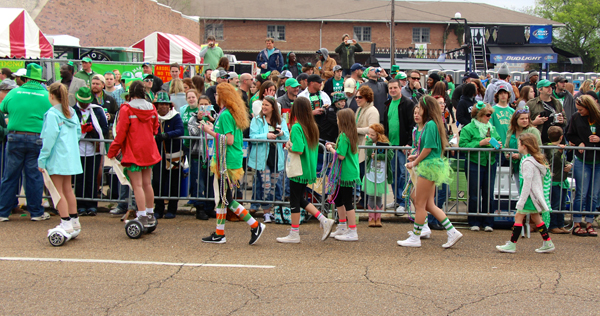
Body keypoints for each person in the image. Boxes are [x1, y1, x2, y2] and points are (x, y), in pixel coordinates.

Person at [200, 83, 265, 244]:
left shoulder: (226, 114)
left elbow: (228, 140)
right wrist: (212, 124)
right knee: (223, 198)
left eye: (217, 94)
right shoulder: (228, 113)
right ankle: (219, 233)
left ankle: (255, 225)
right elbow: (225, 133)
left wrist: (209, 131)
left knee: (226, 198)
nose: (215, 96)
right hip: (228, 159)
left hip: (226, 161)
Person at [397, 95, 462, 248]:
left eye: (420, 107)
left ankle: (416, 237)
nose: (418, 110)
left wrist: (415, 161)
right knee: (428, 205)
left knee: (420, 204)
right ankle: (451, 231)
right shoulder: (432, 124)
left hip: (429, 166)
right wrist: (416, 156)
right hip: (431, 165)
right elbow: (427, 149)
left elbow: (428, 148)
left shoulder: (431, 125)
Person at [276, 97, 335, 243]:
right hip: (307, 167)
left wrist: (288, 146)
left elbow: (298, 149)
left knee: (295, 200)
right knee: (299, 199)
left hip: (298, 168)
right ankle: (323, 220)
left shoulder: (297, 126)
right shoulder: (312, 126)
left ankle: (295, 233)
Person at [0, 64, 52, 222]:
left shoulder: (15, 92)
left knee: (9, 175)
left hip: (15, 136)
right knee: (34, 176)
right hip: (36, 138)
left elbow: (3, 107)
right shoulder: (46, 95)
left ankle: (3, 212)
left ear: (26, 78)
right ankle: (36, 212)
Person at [107, 80, 161, 228]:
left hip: (133, 150)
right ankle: (150, 214)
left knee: (137, 185)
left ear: (130, 92)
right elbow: (156, 129)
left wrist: (112, 151)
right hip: (149, 150)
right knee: (147, 183)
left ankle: (142, 215)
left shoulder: (126, 109)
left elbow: (121, 133)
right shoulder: (151, 108)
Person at [496, 133, 555, 253]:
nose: (518, 146)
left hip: (529, 196)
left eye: (519, 144)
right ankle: (547, 242)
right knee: (536, 218)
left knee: (519, 217)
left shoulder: (527, 162)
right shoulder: (533, 160)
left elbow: (526, 183)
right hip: (534, 196)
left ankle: (512, 244)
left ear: (524, 146)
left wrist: (521, 200)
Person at [37, 82, 83, 234]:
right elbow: (77, 132)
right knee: (67, 189)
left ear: (51, 95)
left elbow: (49, 138)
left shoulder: (52, 114)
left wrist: (42, 159)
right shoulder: (71, 112)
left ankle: (65, 222)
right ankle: (74, 220)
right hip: (70, 156)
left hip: (57, 157)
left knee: (58, 192)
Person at [459, 101, 502, 232]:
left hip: (490, 163)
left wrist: (498, 145)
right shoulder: (468, 128)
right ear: (479, 115)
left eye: (490, 115)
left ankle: (488, 221)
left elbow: (499, 140)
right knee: (474, 194)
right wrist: (479, 143)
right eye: (487, 115)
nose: (489, 117)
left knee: (488, 193)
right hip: (474, 163)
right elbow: (463, 145)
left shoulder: (492, 128)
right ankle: (474, 221)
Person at [248, 96, 289, 223]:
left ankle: (271, 211)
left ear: (273, 107)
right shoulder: (257, 120)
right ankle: (266, 213)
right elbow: (252, 136)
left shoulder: (280, 120)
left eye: (267, 105)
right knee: (265, 185)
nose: (264, 107)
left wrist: (281, 134)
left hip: (276, 156)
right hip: (262, 157)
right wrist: (266, 136)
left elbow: (286, 138)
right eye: (263, 105)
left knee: (273, 186)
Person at [566, 95, 600, 237]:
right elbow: (569, 134)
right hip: (582, 160)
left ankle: (590, 222)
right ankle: (578, 223)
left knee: (594, 194)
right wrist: (579, 141)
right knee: (581, 192)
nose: (579, 112)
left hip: (598, 161)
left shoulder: (598, 117)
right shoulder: (575, 117)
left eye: (581, 110)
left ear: (589, 107)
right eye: (578, 110)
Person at [326, 108, 362, 241]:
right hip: (347, 172)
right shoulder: (350, 135)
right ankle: (342, 226)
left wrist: (330, 148)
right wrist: (335, 146)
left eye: (338, 118)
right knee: (339, 199)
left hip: (345, 173)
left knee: (347, 201)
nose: (337, 120)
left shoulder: (343, 136)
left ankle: (352, 230)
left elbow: (340, 155)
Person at [73, 86, 108, 216]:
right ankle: (80, 205)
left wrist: (92, 131)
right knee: (79, 179)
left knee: (92, 178)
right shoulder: (72, 111)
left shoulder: (97, 111)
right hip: (78, 150)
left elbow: (104, 129)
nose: (84, 104)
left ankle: (92, 205)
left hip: (94, 150)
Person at [383, 79, 414, 215]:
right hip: (391, 146)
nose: (393, 90)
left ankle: (404, 202)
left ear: (400, 88)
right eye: (390, 88)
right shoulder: (388, 104)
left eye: (395, 88)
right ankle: (397, 199)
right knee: (393, 174)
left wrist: (408, 144)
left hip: (403, 146)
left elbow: (412, 125)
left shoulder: (408, 103)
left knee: (403, 174)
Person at [152, 92, 184, 219]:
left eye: (165, 104)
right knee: (158, 182)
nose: (163, 107)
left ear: (170, 106)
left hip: (174, 154)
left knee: (174, 182)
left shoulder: (175, 117)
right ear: (157, 106)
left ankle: (172, 209)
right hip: (158, 155)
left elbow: (180, 130)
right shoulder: (154, 117)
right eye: (161, 104)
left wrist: (167, 135)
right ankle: (158, 208)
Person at [187, 95, 215, 220]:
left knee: (211, 183)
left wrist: (212, 122)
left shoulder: (215, 118)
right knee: (199, 183)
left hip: (212, 155)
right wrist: (199, 121)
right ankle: (200, 208)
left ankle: (210, 207)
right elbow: (193, 133)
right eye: (201, 104)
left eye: (206, 104)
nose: (203, 107)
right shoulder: (192, 118)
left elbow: (219, 132)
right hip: (198, 154)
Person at [363, 123, 393, 227]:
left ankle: (378, 217)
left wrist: (378, 156)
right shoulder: (370, 143)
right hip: (371, 172)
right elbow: (368, 153)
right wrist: (369, 141)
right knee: (371, 196)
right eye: (369, 134)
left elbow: (390, 155)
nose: (370, 136)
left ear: (378, 135)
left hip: (381, 173)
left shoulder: (386, 144)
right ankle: (371, 218)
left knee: (379, 196)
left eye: (372, 135)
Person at [505, 106, 542, 188]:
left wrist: (519, 156)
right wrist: (508, 155)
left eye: (527, 118)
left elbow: (538, 149)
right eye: (522, 119)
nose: (525, 120)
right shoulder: (510, 131)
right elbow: (506, 147)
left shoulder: (533, 131)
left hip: (530, 168)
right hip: (516, 167)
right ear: (516, 120)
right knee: (521, 192)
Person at [544, 126, 571, 234]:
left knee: (562, 204)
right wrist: (559, 152)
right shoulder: (549, 148)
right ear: (561, 137)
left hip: (562, 180)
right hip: (554, 180)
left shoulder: (560, 148)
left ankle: (561, 224)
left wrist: (569, 165)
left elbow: (563, 161)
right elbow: (553, 160)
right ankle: (553, 225)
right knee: (555, 204)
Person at [490, 83, 515, 151]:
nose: (503, 95)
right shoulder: (492, 110)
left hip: (510, 146)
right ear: (497, 96)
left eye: (505, 93)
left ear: (508, 95)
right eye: (500, 93)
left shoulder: (512, 111)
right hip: (498, 146)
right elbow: (490, 129)